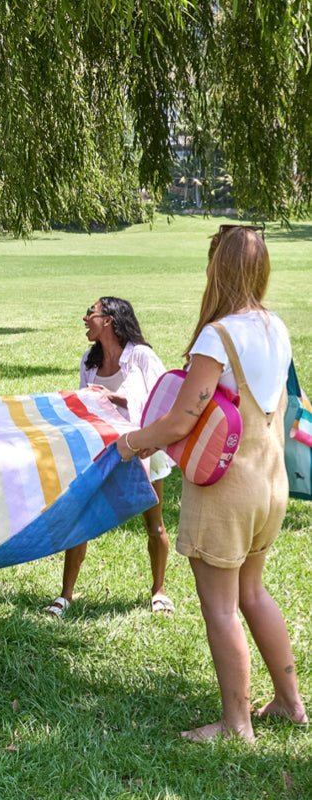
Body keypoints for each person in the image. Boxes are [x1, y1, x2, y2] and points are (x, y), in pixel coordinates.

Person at [117, 225, 307, 741]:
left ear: (217, 268)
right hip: (270, 486)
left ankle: (235, 724)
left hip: (227, 489)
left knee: (221, 606)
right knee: (253, 593)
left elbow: (181, 421)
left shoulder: (218, 335)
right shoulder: (277, 327)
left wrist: (131, 442)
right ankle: (291, 705)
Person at [44, 298, 174, 617]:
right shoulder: (90, 360)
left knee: (154, 524)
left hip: (141, 448)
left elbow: (163, 398)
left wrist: (111, 397)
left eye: (91, 313)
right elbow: (84, 406)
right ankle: (65, 596)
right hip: (102, 452)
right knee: (80, 519)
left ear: (110, 321)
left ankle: (159, 591)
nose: (86, 318)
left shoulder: (141, 356)